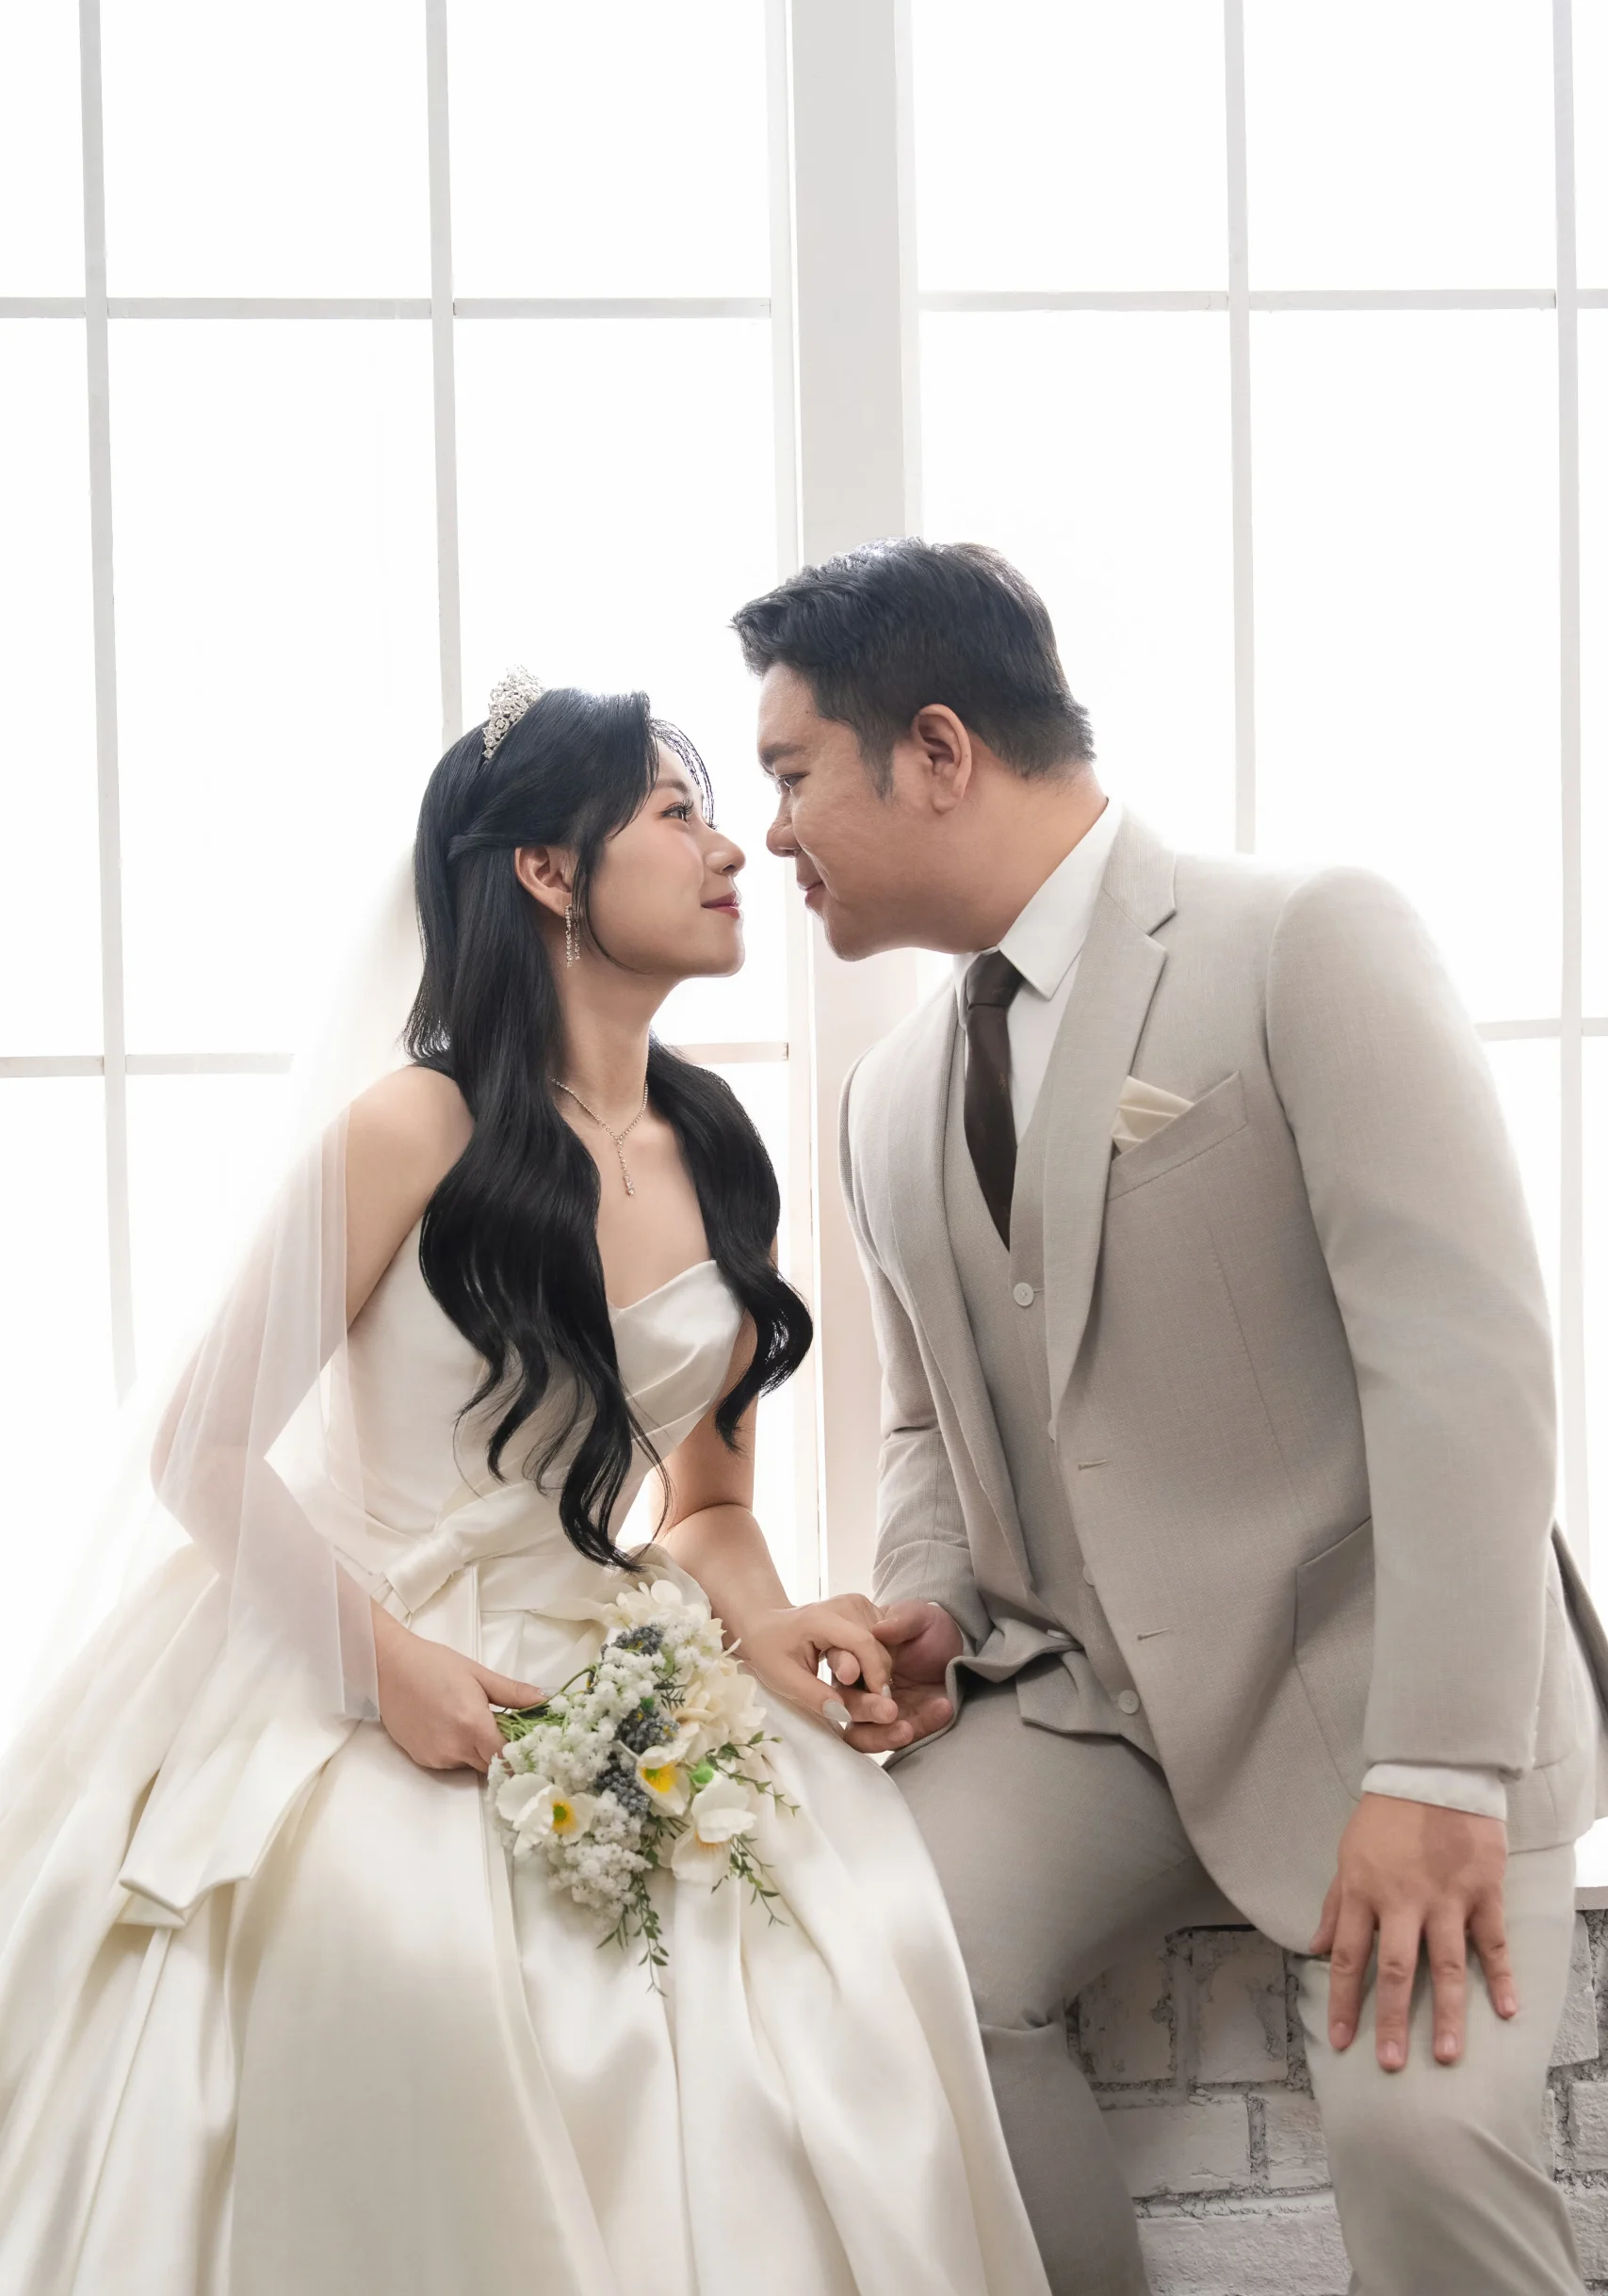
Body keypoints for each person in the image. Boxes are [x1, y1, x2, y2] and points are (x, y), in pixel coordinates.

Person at [0, 675, 1048, 2296]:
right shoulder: (414, 1127)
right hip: (365, 1644)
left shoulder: (718, 1143)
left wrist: (769, 1630)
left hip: (608, 1651)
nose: (734, 851)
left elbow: (705, 1508)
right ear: (548, 872)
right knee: (408, 1960)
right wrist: (384, 1667)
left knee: (839, 1946)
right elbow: (198, 1448)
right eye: (678, 815)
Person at [736, 538, 1608, 2296]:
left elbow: (1465, 1363)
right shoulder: (883, 1100)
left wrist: (1439, 1769)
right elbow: (924, 1430)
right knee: (876, 1965)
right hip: (1089, 1713)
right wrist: (931, 1608)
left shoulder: (1301, 937)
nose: (771, 834)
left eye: (791, 772)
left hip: (1378, 1694)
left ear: (935, 749)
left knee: (1419, 2149)